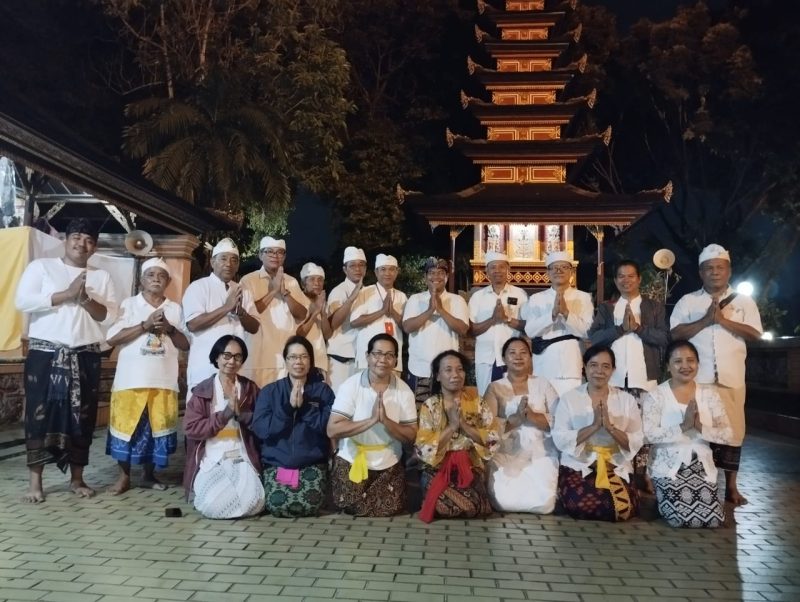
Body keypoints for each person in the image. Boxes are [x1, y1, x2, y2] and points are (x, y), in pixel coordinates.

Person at [14, 218, 118, 502]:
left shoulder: (102, 277)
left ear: (94, 247)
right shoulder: (42, 267)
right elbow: (23, 301)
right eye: (76, 237)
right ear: (65, 238)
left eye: (88, 240)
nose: (81, 244)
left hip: (85, 354)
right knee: (39, 417)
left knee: (82, 418)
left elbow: (109, 316)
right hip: (45, 354)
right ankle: (36, 483)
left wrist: (84, 299)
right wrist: (67, 294)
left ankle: (77, 478)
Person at [670, 244, 762, 506]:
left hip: (731, 377)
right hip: (698, 381)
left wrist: (723, 321)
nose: (714, 273)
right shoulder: (688, 301)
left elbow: (755, 334)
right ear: (701, 273)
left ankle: (731, 487)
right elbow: (675, 334)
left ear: (729, 271)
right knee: (700, 431)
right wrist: (705, 321)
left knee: (733, 431)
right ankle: (702, 483)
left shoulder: (744, 302)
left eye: (719, 268)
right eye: (708, 268)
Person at [105, 258, 189, 494]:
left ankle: (149, 475)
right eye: (150, 274)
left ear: (168, 281)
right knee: (127, 429)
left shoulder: (175, 308)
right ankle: (123, 477)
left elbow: (185, 343)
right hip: (131, 380)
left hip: (163, 380)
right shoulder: (129, 305)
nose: (155, 279)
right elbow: (112, 338)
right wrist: (145, 325)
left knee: (156, 429)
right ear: (142, 280)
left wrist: (170, 329)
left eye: (161, 275)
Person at [588, 259, 669, 491]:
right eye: (621, 276)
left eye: (630, 276)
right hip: (614, 379)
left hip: (645, 378)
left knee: (644, 429)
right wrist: (621, 329)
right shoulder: (607, 308)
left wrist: (638, 329)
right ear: (615, 280)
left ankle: (643, 474)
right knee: (617, 426)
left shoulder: (654, 307)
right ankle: (619, 472)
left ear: (639, 279)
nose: (626, 280)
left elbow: (664, 338)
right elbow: (594, 338)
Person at [642, 340, 733, 528]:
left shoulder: (710, 395)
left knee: (713, 520)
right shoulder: (656, 395)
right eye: (677, 361)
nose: (685, 366)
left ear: (698, 364)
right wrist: (682, 426)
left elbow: (727, 434)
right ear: (668, 366)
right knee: (681, 519)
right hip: (669, 468)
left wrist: (700, 427)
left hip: (701, 467)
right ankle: (663, 500)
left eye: (690, 360)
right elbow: (648, 434)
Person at [327, 333, 417, 516]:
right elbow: (332, 429)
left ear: (396, 361)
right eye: (377, 354)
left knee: (390, 507)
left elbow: (411, 435)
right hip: (353, 458)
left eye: (389, 355)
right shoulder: (350, 386)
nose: (382, 360)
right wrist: (370, 421)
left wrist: (386, 422)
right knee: (352, 504)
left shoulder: (404, 391)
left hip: (388, 459)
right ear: (367, 357)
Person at [552, 345, 643, 522]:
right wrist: (594, 426)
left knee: (625, 508)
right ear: (584, 368)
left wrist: (610, 427)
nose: (599, 371)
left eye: (605, 366)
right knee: (579, 505)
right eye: (593, 365)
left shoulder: (626, 400)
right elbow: (560, 438)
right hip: (579, 464)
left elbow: (636, 439)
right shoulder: (569, 399)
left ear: (613, 370)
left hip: (614, 464)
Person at [251, 335, 334, 517]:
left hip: (311, 463)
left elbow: (327, 427)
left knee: (310, 504)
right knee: (277, 504)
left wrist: (305, 407)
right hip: (278, 463)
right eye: (293, 357)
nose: (299, 362)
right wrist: (287, 409)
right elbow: (261, 429)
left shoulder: (322, 391)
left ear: (311, 360)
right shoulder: (270, 391)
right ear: (285, 361)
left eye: (304, 357)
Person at [183, 335, 264, 519]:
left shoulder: (250, 389)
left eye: (237, 357)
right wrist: (224, 414)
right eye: (226, 355)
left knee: (255, 501)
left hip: (242, 456)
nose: (231, 361)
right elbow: (191, 428)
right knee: (213, 506)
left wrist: (241, 415)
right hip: (212, 458)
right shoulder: (202, 391)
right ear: (217, 358)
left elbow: (262, 423)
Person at [416, 350, 499, 522]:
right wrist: (452, 426)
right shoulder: (429, 406)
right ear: (438, 376)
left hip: (469, 466)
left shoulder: (478, 403)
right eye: (448, 370)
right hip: (437, 467)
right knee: (443, 506)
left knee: (474, 506)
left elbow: (492, 439)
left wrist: (463, 425)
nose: (455, 375)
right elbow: (423, 449)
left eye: (460, 369)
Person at [483, 337, 559, 513]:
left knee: (545, 504)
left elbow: (561, 419)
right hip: (507, 452)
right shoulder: (495, 388)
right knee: (504, 502)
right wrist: (514, 420)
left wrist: (533, 416)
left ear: (530, 358)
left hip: (541, 451)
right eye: (512, 353)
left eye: (523, 353)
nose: (518, 357)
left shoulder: (543, 383)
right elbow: (487, 427)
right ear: (504, 359)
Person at [182, 238, 259, 396]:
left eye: (234, 260)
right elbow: (193, 325)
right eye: (223, 258)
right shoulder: (198, 287)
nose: (229, 264)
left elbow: (255, 327)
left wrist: (241, 313)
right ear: (212, 262)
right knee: (203, 419)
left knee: (232, 418)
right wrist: (226, 308)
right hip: (205, 369)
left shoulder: (242, 290)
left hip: (235, 369)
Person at [521, 251, 594, 396]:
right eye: (554, 267)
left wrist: (567, 313)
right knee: (544, 412)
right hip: (544, 364)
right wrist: (552, 315)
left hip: (571, 365)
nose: (559, 271)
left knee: (570, 411)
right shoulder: (536, 299)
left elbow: (587, 331)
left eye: (563, 267)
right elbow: (530, 331)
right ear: (548, 273)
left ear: (571, 272)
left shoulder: (583, 297)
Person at [240, 236, 306, 387]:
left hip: (285, 358)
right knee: (256, 407)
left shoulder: (292, 282)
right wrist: (273, 291)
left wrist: (285, 293)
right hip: (257, 357)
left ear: (284, 256)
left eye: (280, 252)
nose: (275, 256)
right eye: (269, 252)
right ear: (260, 255)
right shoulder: (248, 280)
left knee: (284, 406)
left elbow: (302, 315)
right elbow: (247, 315)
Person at [402, 258, 469, 404]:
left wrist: (441, 309)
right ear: (425, 277)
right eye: (431, 273)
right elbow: (407, 327)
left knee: (447, 414)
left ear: (446, 277)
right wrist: (430, 310)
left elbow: (463, 329)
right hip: (419, 368)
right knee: (419, 416)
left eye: (440, 273)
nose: (436, 277)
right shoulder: (415, 299)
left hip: (448, 371)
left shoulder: (457, 300)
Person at [468, 251, 527, 396]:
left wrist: (507, 319)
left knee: (512, 400)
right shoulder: (477, 297)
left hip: (513, 359)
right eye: (493, 267)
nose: (497, 271)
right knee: (486, 401)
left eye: (501, 267)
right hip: (485, 359)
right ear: (487, 271)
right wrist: (493, 320)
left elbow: (528, 326)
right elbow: (471, 329)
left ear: (508, 270)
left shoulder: (520, 294)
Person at [351, 254, 407, 374]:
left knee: (392, 392)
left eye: (392, 269)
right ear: (376, 272)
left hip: (392, 360)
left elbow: (406, 327)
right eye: (383, 269)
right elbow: (354, 322)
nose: (387, 273)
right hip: (368, 359)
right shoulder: (365, 292)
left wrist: (393, 312)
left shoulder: (402, 296)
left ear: (397, 272)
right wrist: (381, 311)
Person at [326, 247, 367, 392]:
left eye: (361, 265)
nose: (358, 269)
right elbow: (332, 324)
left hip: (361, 358)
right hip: (340, 360)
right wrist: (351, 299)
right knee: (338, 403)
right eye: (353, 265)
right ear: (345, 269)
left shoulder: (368, 291)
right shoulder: (338, 291)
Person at [296, 262, 332, 381]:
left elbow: (327, 335)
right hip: (300, 361)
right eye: (312, 279)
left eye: (320, 279)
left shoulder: (322, 302)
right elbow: (299, 335)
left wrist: (323, 312)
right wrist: (315, 312)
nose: (317, 283)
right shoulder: (297, 301)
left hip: (320, 360)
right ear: (303, 283)